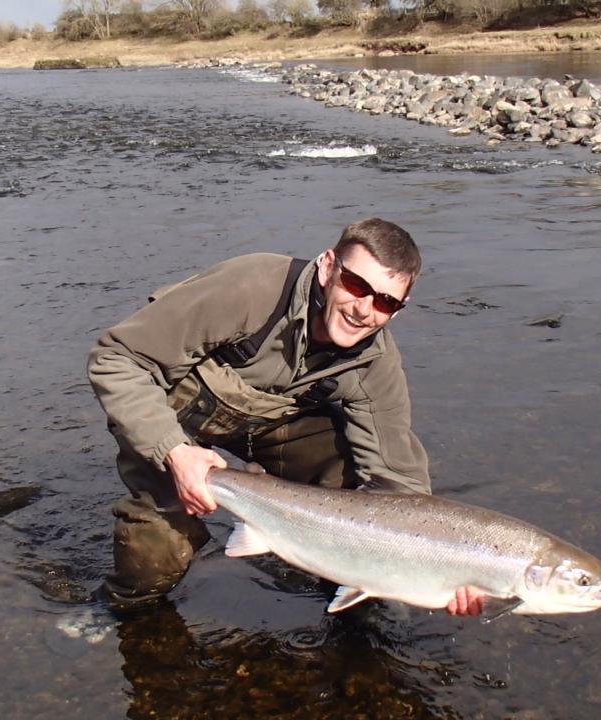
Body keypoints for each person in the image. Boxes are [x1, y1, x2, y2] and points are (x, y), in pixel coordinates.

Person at [88, 218, 482, 616]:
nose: (365, 310)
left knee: (349, 482)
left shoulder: (374, 363)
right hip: (170, 414)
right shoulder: (250, 289)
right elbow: (117, 359)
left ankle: (348, 592)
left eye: (385, 302)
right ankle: (115, 614)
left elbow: (400, 487)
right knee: (160, 550)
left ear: (399, 310)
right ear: (328, 267)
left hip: (268, 425)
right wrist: (175, 451)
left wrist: (443, 569)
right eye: (358, 286)